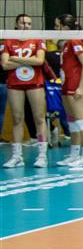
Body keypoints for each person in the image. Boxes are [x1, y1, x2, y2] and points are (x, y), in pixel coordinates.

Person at [2, 13, 48, 168]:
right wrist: (30, 61)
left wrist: (15, 58)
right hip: (15, 83)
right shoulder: (8, 40)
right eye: (22, 23)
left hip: (35, 83)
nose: (26, 26)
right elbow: (4, 65)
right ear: (16, 24)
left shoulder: (37, 40)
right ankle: (17, 156)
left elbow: (40, 61)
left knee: (39, 118)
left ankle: (42, 155)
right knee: (17, 118)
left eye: (29, 23)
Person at [52, 14, 83, 168]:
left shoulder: (75, 41)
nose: (55, 29)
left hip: (75, 87)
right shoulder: (67, 43)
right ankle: (74, 155)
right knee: (72, 122)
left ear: (65, 27)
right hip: (66, 86)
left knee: (81, 121)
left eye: (57, 26)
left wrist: (82, 87)